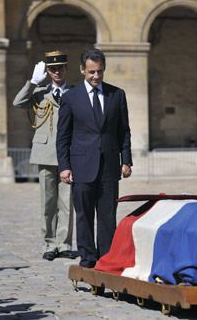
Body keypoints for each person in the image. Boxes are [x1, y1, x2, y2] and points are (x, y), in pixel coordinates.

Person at [56, 48, 133, 268]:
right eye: (91, 72)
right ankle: (88, 258)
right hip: (81, 166)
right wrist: (64, 166)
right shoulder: (71, 98)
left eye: (99, 71)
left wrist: (125, 160)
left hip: (109, 166)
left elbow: (123, 131)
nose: (96, 76)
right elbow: (63, 136)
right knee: (84, 216)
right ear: (82, 70)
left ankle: (107, 259)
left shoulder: (117, 95)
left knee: (108, 216)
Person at [13, 50, 76, 261]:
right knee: (48, 203)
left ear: (67, 68)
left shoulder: (75, 94)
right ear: (48, 72)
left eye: (61, 67)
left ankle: (64, 243)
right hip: (45, 153)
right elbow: (18, 103)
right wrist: (32, 83)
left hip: (68, 155)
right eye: (53, 69)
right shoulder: (39, 94)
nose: (57, 72)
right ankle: (49, 244)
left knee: (67, 203)